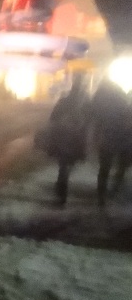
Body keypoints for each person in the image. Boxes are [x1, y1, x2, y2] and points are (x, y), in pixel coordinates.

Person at [41, 72, 90, 206]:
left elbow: (53, 118)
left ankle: (61, 191)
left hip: (64, 137)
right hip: (73, 138)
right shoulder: (85, 101)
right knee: (66, 166)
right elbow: (89, 120)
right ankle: (61, 192)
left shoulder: (66, 100)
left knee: (64, 166)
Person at [89, 78, 132, 207]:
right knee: (121, 165)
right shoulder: (121, 98)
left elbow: (95, 117)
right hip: (122, 138)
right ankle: (114, 189)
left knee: (105, 167)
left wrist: (96, 137)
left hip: (109, 137)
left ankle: (102, 195)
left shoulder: (102, 99)